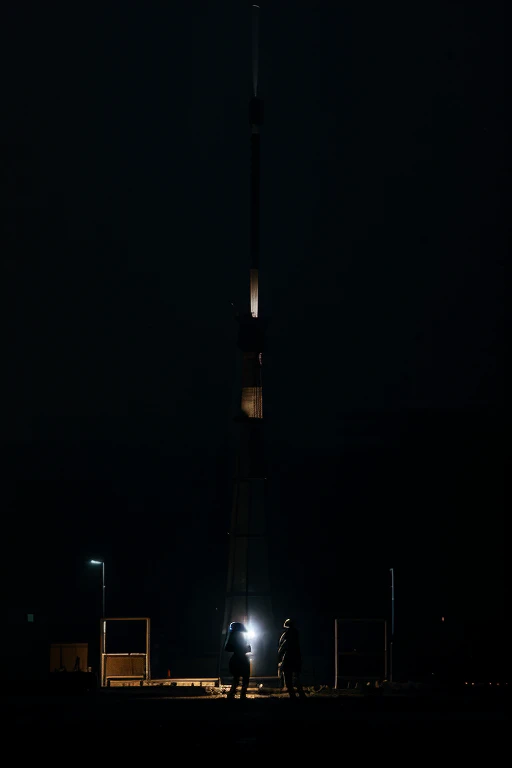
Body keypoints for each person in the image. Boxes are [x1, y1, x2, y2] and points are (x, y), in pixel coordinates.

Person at [277, 618, 307, 699]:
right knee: (296, 679)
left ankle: (293, 697)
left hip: (288, 659)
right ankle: (302, 696)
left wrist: (279, 656)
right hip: (296, 658)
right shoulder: (296, 633)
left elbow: (282, 646)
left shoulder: (287, 634)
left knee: (288, 680)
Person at [224, 621, 251, 700]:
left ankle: (232, 694)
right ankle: (241, 694)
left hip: (236, 658)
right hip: (240, 658)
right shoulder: (240, 636)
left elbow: (228, 647)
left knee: (237, 678)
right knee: (244, 677)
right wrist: (245, 649)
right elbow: (245, 647)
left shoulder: (233, 636)